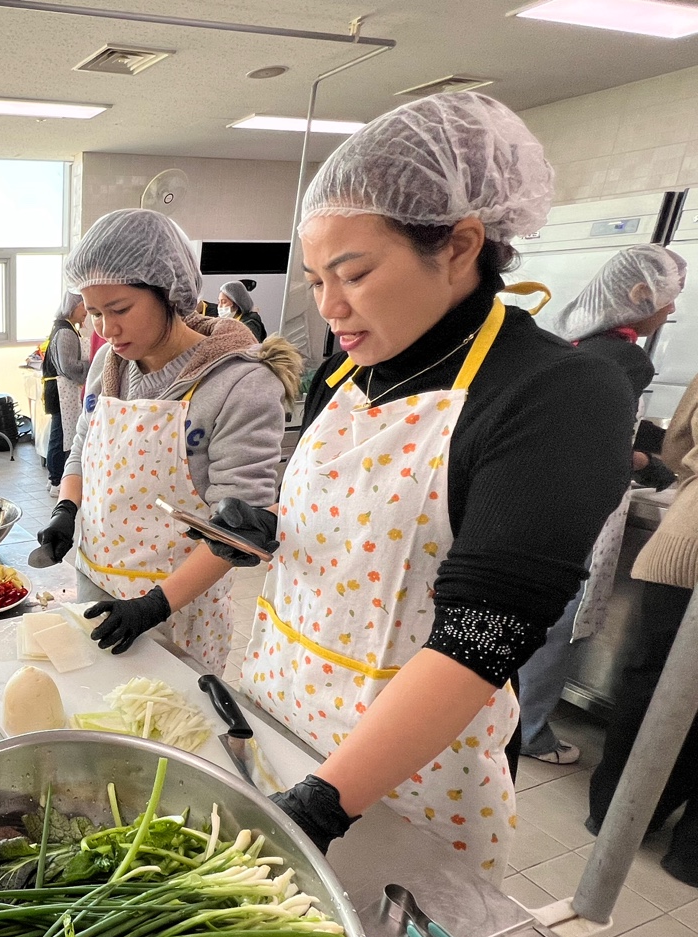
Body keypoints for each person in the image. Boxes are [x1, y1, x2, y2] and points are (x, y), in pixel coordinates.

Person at [193, 92, 634, 881]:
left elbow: (481, 638)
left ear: (462, 244)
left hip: (405, 782)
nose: (330, 308)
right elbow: (363, 536)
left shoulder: (560, 395)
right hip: (280, 717)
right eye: (318, 278)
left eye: (354, 274)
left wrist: (324, 801)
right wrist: (263, 525)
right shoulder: (348, 370)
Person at [34, 208, 301, 675]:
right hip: (96, 581)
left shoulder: (241, 384)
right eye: (94, 313)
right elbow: (81, 449)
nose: (105, 329)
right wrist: (66, 510)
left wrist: (153, 606)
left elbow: (239, 527)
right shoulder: (107, 367)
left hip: (179, 609)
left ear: (170, 291)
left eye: (119, 310)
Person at [515, 244, 687, 764]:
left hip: (527, 495)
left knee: (523, 611)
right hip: (573, 505)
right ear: (639, 295)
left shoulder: (565, 338)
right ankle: (531, 730)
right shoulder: (626, 359)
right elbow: (599, 443)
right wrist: (647, 464)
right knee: (558, 615)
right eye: (669, 297)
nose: (673, 310)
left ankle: (502, 717)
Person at [588, 370, 698, 886]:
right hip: (685, 547)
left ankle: (614, 814)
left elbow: (674, 452)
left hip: (685, 545)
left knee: (647, 685)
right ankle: (690, 856)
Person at [42, 292, 90, 494]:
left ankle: (54, 477)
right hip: (61, 391)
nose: (86, 312)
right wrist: (93, 365)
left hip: (61, 390)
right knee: (60, 436)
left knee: (59, 434)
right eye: (83, 307)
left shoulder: (65, 328)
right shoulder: (66, 332)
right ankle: (56, 481)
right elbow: (68, 366)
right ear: (73, 307)